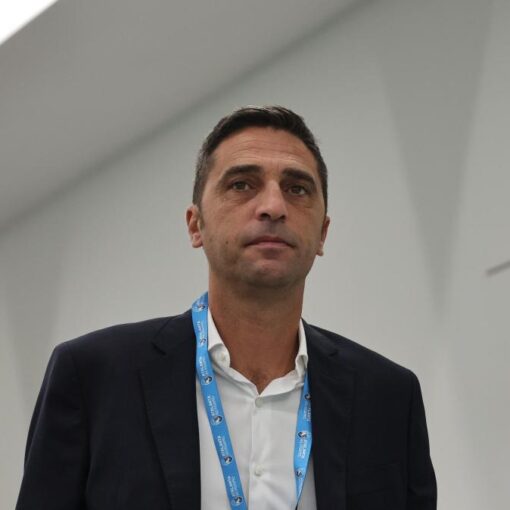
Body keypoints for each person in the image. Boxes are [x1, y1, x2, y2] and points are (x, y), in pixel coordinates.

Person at [16, 106, 437, 510]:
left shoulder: (388, 398)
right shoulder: (93, 377)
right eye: (242, 184)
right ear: (195, 225)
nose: (274, 207)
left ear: (323, 233)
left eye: (297, 189)